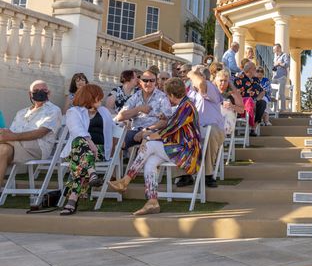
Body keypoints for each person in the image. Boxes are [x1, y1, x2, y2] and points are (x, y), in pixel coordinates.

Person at [109, 78, 202, 216]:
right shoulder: (183, 105)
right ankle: (152, 202)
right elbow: (172, 126)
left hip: (188, 153)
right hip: (178, 148)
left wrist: (146, 137)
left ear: (171, 95)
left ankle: (125, 180)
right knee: (150, 162)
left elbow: (168, 130)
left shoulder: (187, 106)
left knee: (151, 145)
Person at [59, 84, 114, 215]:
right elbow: (77, 130)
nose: (101, 100)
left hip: (99, 152)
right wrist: (90, 143)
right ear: (90, 98)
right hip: (77, 150)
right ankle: (91, 173)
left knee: (81, 158)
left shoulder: (104, 112)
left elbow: (113, 128)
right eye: (98, 98)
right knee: (80, 142)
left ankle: (72, 200)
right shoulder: (74, 112)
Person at [0, 81, 62, 188]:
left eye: (43, 90)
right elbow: (11, 133)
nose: (40, 92)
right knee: (3, 149)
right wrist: (9, 136)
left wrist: (11, 136)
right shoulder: (21, 113)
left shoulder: (53, 110)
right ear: (30, 94)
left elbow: (40, 133)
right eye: (36, 91)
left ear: (49, 93)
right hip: (16, 145)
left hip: (39, 146)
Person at [186, 66, 226, 188]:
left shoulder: (209, 86)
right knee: (180, 132)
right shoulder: (191, 91)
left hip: (213, 129)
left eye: (195, 77)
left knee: (211, 132)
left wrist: (191, 73)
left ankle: (207, 174)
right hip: (196, 129)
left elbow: (201, 83)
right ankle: (184, 174)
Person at [115, 69, 172, 150]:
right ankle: (114, 161)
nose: (148, 83)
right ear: (140, 82)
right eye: (145, 80)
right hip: (135, 131)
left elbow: (165, 122)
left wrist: (145, 130)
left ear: (156, 82)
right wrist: (138, 109)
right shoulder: (136, 96)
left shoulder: (162, 97)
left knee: (146, 142)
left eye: (152, 80)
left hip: (153, 132)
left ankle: (139, 160)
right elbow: (120, 117)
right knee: (118, 141)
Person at [234, 61, 266, 135]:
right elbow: (237, 94)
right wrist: (250, 101)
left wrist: (255, 100)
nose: (256, 71)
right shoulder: (239, 79)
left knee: (262, 103)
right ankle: (249, 124)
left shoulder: (256, 79)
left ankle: (253, 128)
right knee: (254, 104)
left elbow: (262, 92)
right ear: (249, 70)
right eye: (255, 69)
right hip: (244, 103)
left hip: (254, 101)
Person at [215, 69, 245, 136]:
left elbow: (242, 110)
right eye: (221, 80)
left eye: (225, 81)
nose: (223, 83)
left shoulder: (233, 94)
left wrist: (232, 106)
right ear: (216, 81)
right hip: (214, 120)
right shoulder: (212, 93)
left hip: (227, 121)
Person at [272, 43, 290, 112]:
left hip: (282, 77)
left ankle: (283, 109)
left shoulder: (284, 55)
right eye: (273, 49)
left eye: (275, 49)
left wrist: (279, 63)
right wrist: (275, 66)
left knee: (281, 93)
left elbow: (287, 65)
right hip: (275, 77)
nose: (274, 50)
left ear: (279, 48)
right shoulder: (275, 57)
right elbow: (274, 66)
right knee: (273, 93)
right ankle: (274, 108)